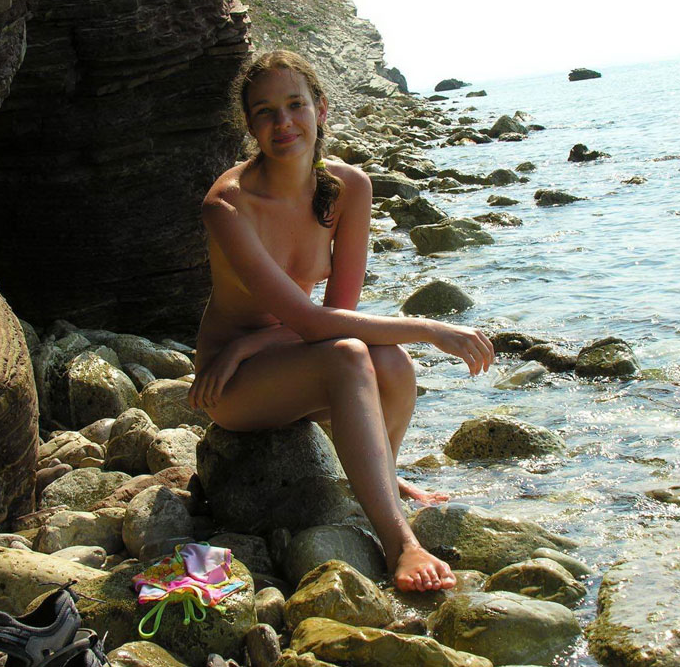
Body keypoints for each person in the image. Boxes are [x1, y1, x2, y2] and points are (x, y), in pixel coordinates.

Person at [188, 50, 495, 592]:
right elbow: (317, 325)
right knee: (353, 355)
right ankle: (400, 543)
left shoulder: (350, 187)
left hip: (269, 356)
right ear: (250, 126)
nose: (283, 123)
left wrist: (253, 343)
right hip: (230, 384)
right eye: (265, 112)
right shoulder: (229, 206)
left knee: (390, 363)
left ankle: (381, 479)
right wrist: (430, 328)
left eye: (295, 105)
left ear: (321, 109)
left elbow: (335, 316)